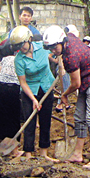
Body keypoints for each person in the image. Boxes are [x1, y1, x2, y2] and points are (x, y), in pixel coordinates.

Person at [43, 25, 90, 168]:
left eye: (55, 48)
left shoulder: (70, 57)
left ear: (62, 41)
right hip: (86, 81)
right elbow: (73, 32)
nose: (54, 52)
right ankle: (78, 154)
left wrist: (64, 95)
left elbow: (75, 83)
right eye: (51, 49)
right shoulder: (70, 38)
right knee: (79, 116)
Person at [10, 26, 58, 162]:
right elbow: (23, 82)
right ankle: (28, 153)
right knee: (29, 122)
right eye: (18, 46)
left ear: (29, 39)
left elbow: (57, 52)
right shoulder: (19, 59)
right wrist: (33, 99)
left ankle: (44, 153)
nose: (22, 48)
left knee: (45, 121)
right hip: (29, 91)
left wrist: (62, 64)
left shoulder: (42, 47)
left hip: (46, 87)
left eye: (22, 44)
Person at [0, 6, 41, 81]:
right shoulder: (11, 40)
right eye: (24, 15)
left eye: (28, 16)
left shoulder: (36, 40)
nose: (26, 18)